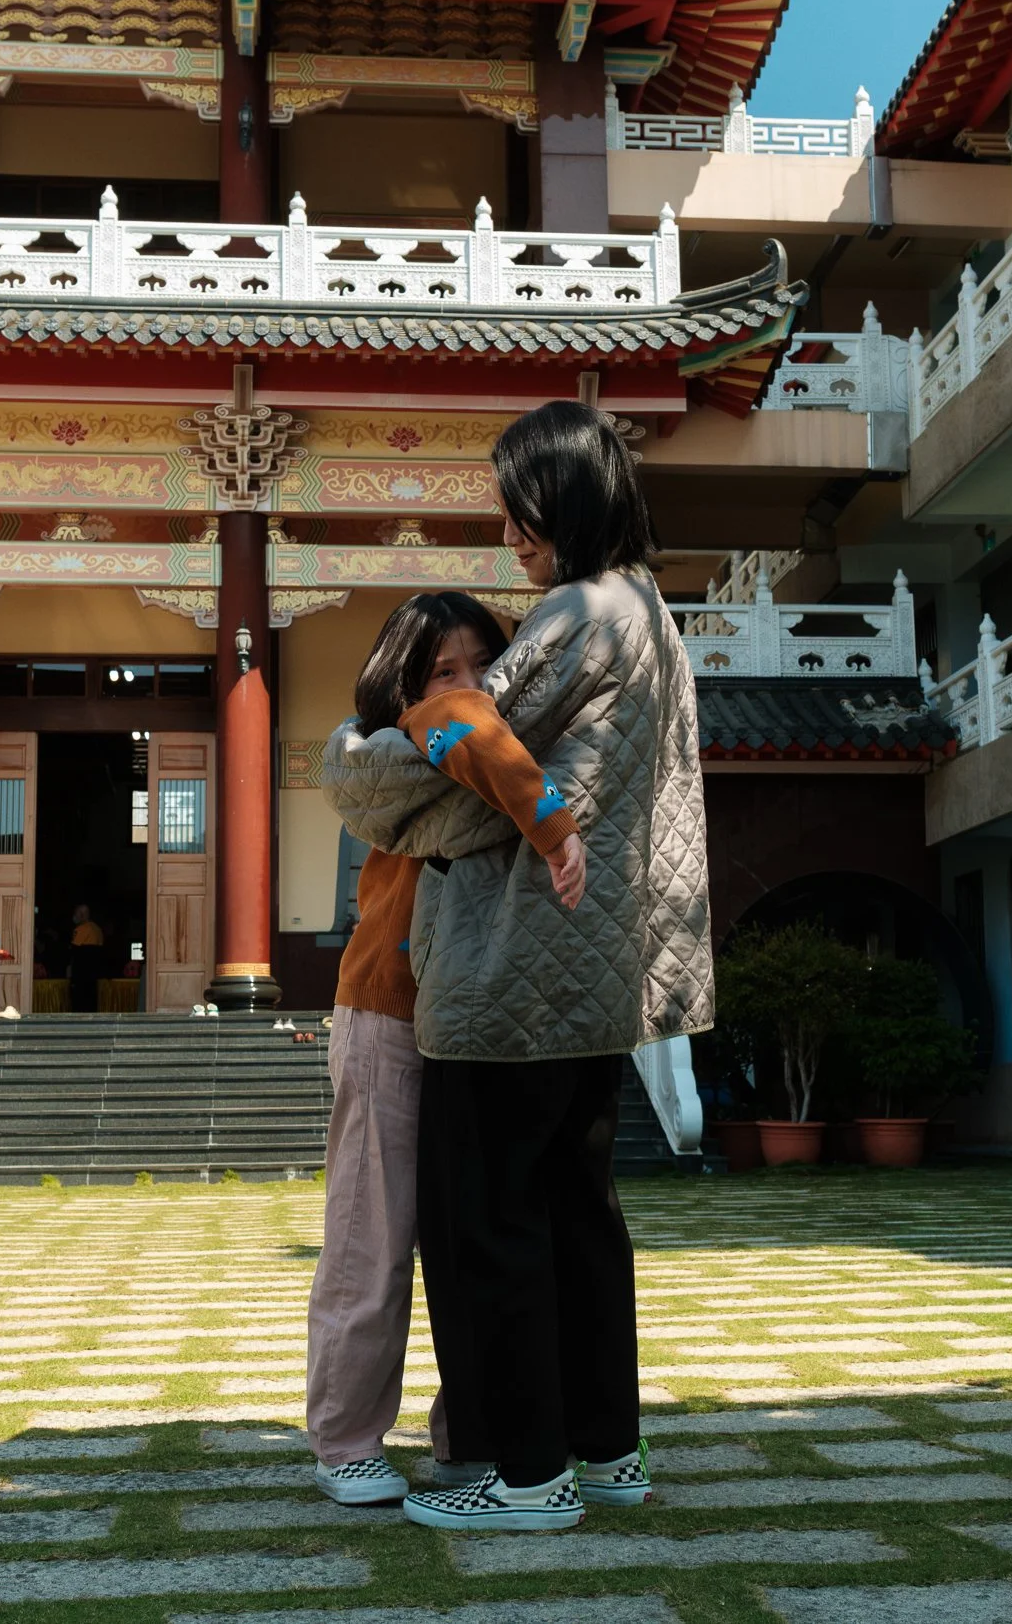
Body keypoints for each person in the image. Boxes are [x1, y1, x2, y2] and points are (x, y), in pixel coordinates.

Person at [324, 400, 711, 1532]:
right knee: (580, 1219)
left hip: (511, 972)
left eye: (520, 509)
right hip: (597, 973)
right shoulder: (650, 613)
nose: (510, 536)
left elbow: (455, 762)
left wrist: (352, 761)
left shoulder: (581, 611)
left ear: (566, 500)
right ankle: (606, 1450)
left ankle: (527, 1476)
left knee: (487, 1224)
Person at [306, 591, 587, 1507]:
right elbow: (467, 726)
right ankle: (347, 1439)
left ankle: (473, 1435)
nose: (466, 687)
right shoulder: (412, 747)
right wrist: (552, 824)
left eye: (480, 665)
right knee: (372, 1238)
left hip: (480, 1016)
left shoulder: (498, 752)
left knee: (474, 1242)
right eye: (442, 669)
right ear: (404, 682)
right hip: (390, 1007)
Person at [66, 903, 107, 1011]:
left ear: (81, 915)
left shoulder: (80, 930)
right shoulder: (97, 929)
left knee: (80, 1003)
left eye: (75, 914)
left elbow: (74, 950)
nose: (74, 916)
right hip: (94, 974)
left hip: (81, 974)